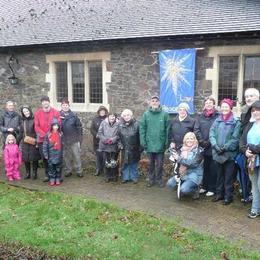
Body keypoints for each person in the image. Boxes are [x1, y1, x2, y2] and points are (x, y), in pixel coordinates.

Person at [209, 98, 241, 205]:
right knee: (219, 175)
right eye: (222, 106)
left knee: (228, 177)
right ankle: (219, 194)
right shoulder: (217, 121)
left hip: (229, 155)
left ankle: (228, 197)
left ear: (230, 108)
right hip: (217, 153)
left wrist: (225, 147)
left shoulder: (236, 122)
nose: (224, 108)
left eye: (226, 106)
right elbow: (211, 134)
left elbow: (235, 138)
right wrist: (215, 145)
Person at [139, 95, 170, 187]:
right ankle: (151, 180)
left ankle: (159, 179)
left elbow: (168, 129)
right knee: (151, 164)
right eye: (153, 101)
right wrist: (143, 141)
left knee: (160, 164)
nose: (155, 102)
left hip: (160, 144)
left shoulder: (165, 114)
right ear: (150, 102)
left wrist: (166, 143)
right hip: (149, 144)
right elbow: (142, 129)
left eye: (156, 101)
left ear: (159, 102)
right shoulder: (146, 114)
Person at [194, 97, 219, 197]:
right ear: (204, 105)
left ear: (214, 104)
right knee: (204, 167)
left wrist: (209, 141)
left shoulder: (217, 116)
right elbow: (196, 129)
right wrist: (201, 141)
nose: (208, 104)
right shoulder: (200, 117)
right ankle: (204, 186)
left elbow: (217, 130)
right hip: (203, 146)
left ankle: (212, 188)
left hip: (213, 146)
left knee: (213, 168)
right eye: (207, 103)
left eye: (210, 103)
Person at [167, 132, 203, 199]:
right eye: (187, 139)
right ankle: (182, 188)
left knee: (184, 190)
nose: (189, 140)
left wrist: (178, 158)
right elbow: (174, 157)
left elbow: (193, 164)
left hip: (194, 175)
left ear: (195, 140)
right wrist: (171, 150)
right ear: (185, 140)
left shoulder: (199, 150)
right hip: (182, 174)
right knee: (170, 184)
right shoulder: (181, 148)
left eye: (191, 139)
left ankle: (195, 190)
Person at [240, 100, 260, 218]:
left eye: (258, 109)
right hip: (251, 161)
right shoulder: (250, 124)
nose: (256, 112)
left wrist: (252, 148)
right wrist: (245, 151)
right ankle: (255, 209)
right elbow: (242, 141)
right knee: (254, 185)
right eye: (253, 110)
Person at [34, 96, 61, 182]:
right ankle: (47, 174)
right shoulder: (38, 113)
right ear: (41, 103)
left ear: (49, 102)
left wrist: (51, 134)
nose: (45, 103)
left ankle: (57, 175)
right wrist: (44, 135)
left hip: (54, 139)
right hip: (42, 140)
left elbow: (59, 123)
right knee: (46, 157)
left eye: (47, 101)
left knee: (56, 157)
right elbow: (36, 126)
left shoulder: (55, 112)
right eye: (43, 101)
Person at [60, 98, 83, 178]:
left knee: (77, 156)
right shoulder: (58, 115)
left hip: (74, 139)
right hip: (64, 140)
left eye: (66, 105)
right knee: (66, 156)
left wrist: (79, 138)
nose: (65, 106)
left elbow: (79, 127)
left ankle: (79, 171)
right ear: (61, 106)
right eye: (63, 105)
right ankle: (68, 170)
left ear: (69, 106)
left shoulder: (74, 115)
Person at [118, 109, 141, 184]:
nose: (126, 117)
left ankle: (134, 177)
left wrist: (140, 148)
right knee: (125, 163)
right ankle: (126, 177)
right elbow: (118, 137)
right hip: (124, 148)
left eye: (128, 115)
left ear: (131, 116)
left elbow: (140, 137)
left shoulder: (137, 124)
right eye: (124, 115)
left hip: (134, 148)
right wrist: (120, 144)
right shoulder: (120, 125)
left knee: (134, 163)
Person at [97, 112, 119, 182]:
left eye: (113, 116)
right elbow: (100, 132)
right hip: (104, 145)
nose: (112, 118)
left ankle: (113, 175)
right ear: (108, 117)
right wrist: (105, 140)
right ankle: (107, 176)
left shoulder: (118, 124)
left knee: (113, 161)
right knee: (106, 161)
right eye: (110, 116)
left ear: (115, 117)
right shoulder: (103, 123)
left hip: (113, 145)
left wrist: (112, 140)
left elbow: (119, 134)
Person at [20, 105, 41, 179]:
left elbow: (38, 131)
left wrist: (37, 141)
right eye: (24, 112)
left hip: (33, 141)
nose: (26, 113)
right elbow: (21, 132)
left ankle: (34, 173)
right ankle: (28, 173)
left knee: (34, 158)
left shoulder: (35, 119)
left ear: (30, 111)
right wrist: (17, 141)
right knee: (26, 158)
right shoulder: (22, 121)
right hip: (25, 141)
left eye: (27, 111)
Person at [43, 119, 63, 186]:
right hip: (51, 154)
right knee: (51, 167)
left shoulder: (60, 134)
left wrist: (63, 153)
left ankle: (57, 177)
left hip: (59, 154)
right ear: (51, 126)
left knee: (58, 167)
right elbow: (45, 145)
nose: (56, 127)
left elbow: (63, 144)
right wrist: (45, 154)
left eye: (57, 125)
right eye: (54, 125)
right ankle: (52, 178)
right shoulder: (48, 134)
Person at [90, 106, 108, 176]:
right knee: (98, 156)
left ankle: (105, 170)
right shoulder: (95, 119)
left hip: (105, 141)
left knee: (105, 156)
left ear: (105, 111)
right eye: (101, 111)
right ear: (99, 112)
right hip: (97, 141)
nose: (102, 112)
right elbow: (92, 129)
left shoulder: (107, 119)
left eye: (103, 111)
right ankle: (98, 169)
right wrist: (96, 135)